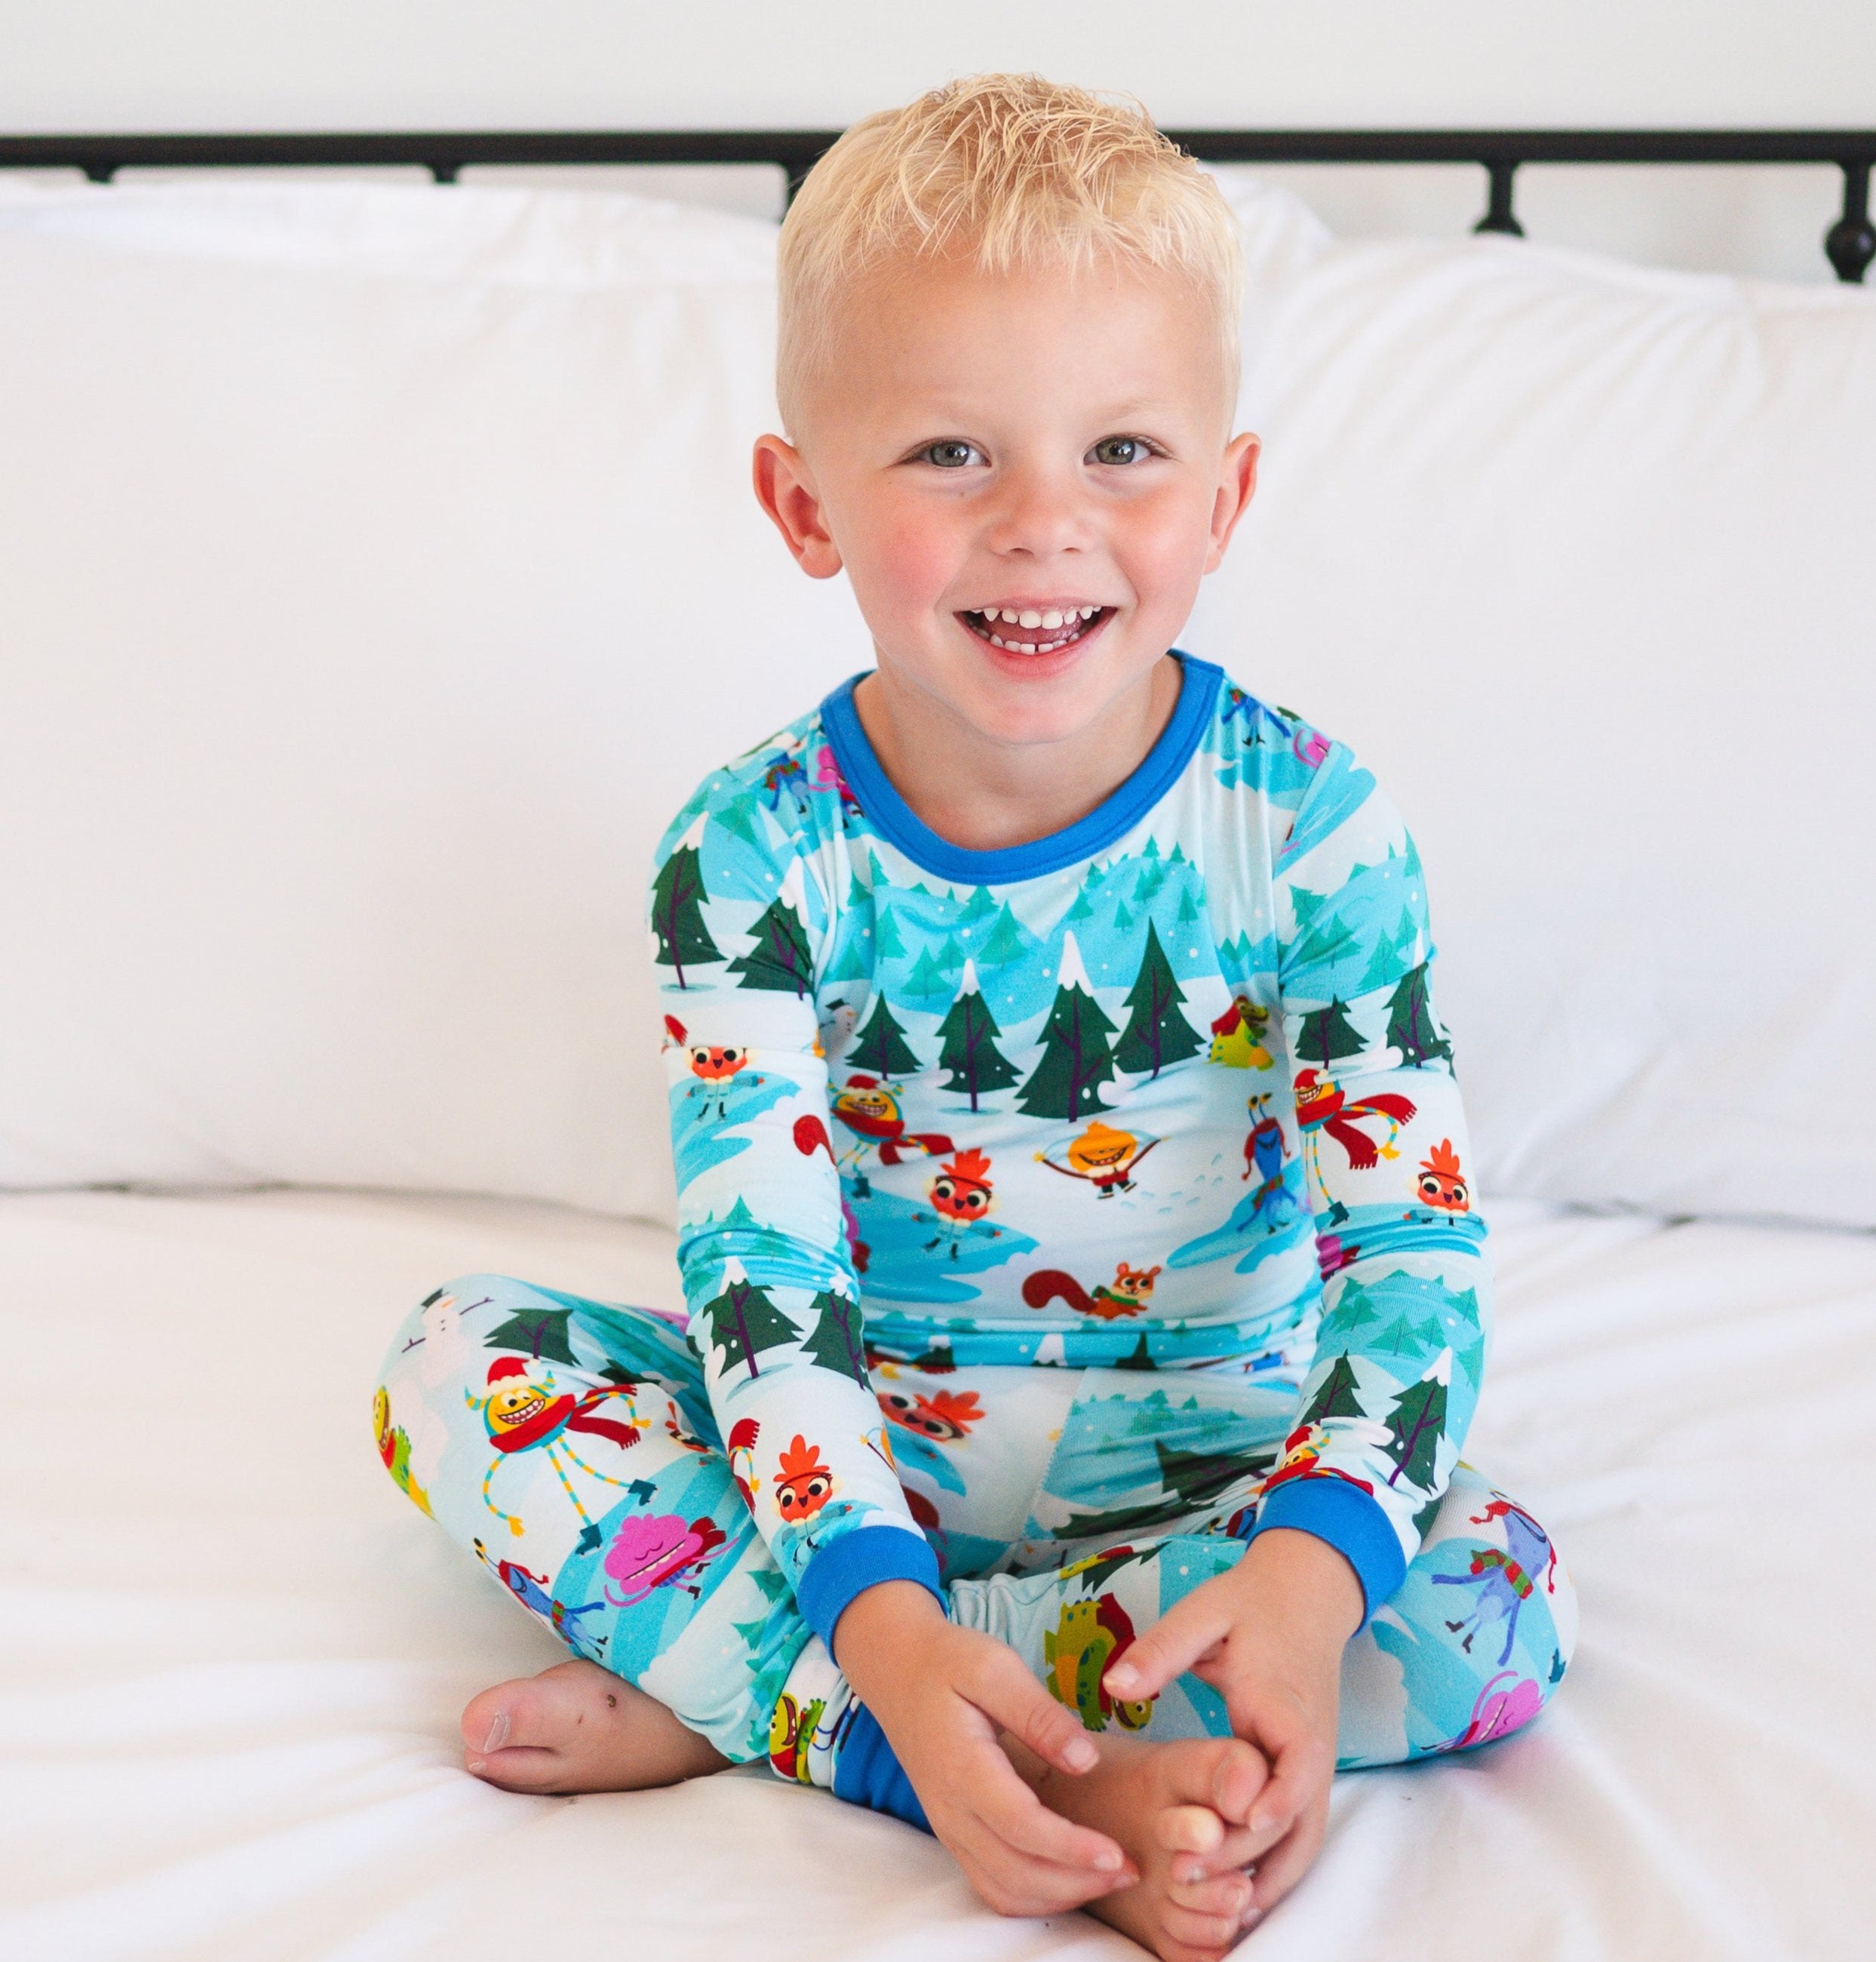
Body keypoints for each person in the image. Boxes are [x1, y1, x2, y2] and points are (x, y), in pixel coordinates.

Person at [373, 73, 1577, 1962]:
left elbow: (1408, 1251)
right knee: (452, 1363)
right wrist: (874, 1608)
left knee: (1494, 1602)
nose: (1041, 524)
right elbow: (759, 1274)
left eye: (1122, 451)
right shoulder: (749, 848)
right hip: (851, 1481)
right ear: (804, 503)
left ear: (1223, 496)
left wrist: (1303, 1575)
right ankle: (942, 1740)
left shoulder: (1311, 827)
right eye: (949, 452)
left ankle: (750, 1693)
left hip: (1211, 1484)